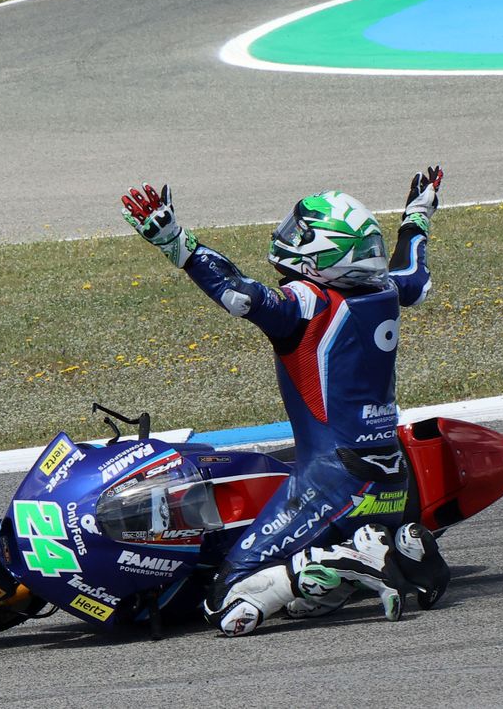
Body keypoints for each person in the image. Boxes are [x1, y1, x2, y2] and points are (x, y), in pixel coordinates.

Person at [120, 169, 452, 636]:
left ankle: (355, 557)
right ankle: (400, 549)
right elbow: (415, 269)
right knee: (300, 604)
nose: (288, 236)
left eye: (302, 233)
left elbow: (238, 294)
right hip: (392, 481)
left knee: (227, 602)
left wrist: (175, 240)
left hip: (332, 480)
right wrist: (418, 213)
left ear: (324, 253)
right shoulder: (390, 292)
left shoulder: (309, 303)